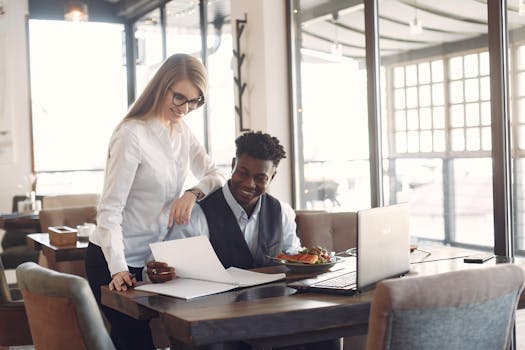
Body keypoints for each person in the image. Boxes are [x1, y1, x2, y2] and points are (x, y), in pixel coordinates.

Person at [146, 131, 340, 350]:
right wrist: (158, 272)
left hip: (272, 316)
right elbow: (160, 268)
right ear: (232, 165)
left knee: (326, 337)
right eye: (243, 172)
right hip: (216, 321)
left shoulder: (282, 212)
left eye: (260, 178)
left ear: (272, 177)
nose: (249, 183)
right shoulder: (198, 214)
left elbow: (294, 263)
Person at [85, 53, 225, 350]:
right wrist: (119, 270)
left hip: (152, 263)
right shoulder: (131, 135)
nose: (185, 109)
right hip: (112, 260)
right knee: (136, 342)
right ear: (162, 86)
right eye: (179, 98)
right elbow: (109, 211)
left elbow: (215, 175)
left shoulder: (182, 132)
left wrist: (192, 193)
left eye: (194, 102)